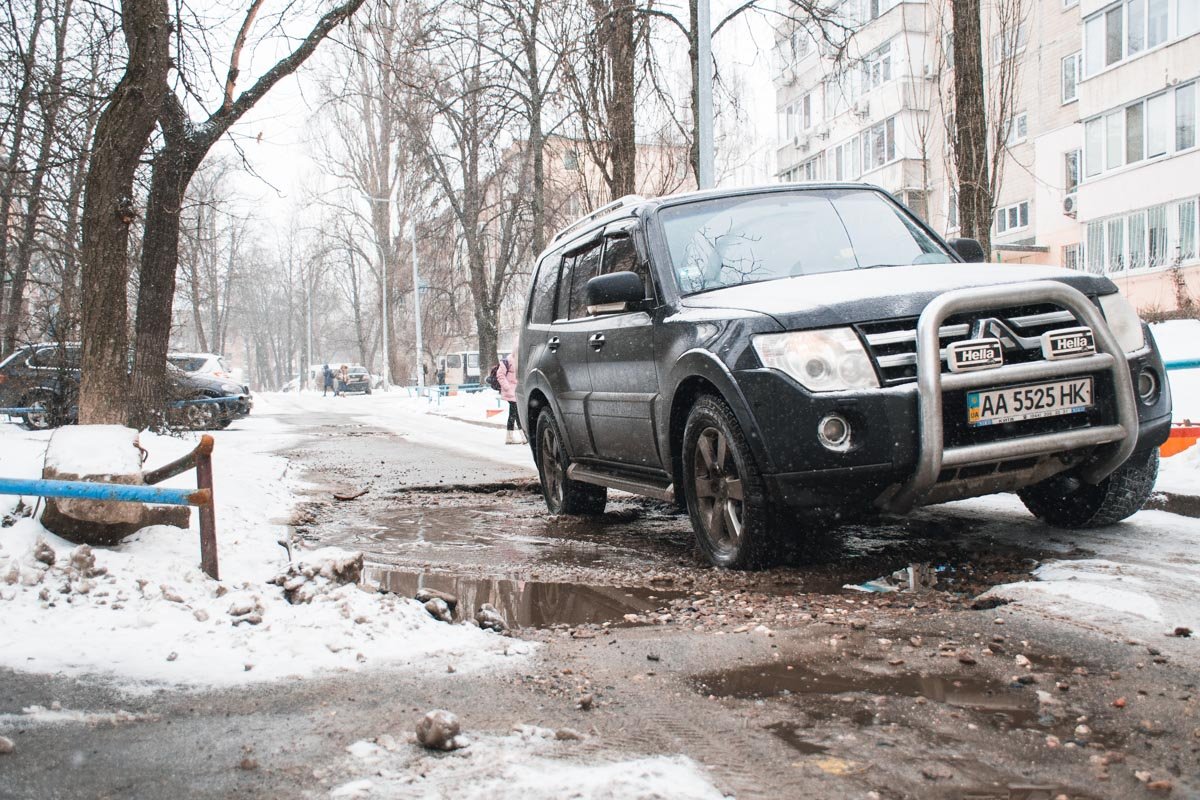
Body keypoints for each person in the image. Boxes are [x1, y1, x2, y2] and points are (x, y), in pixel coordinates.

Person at [496, 353, 524, 444]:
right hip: (511, 392)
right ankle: (524, 436)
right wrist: (507, 387)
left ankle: (510, 437)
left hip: (517, 391)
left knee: (513, 414)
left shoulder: (520, 358)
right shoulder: (508, 360)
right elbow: (500, 375)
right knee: (517, 414)